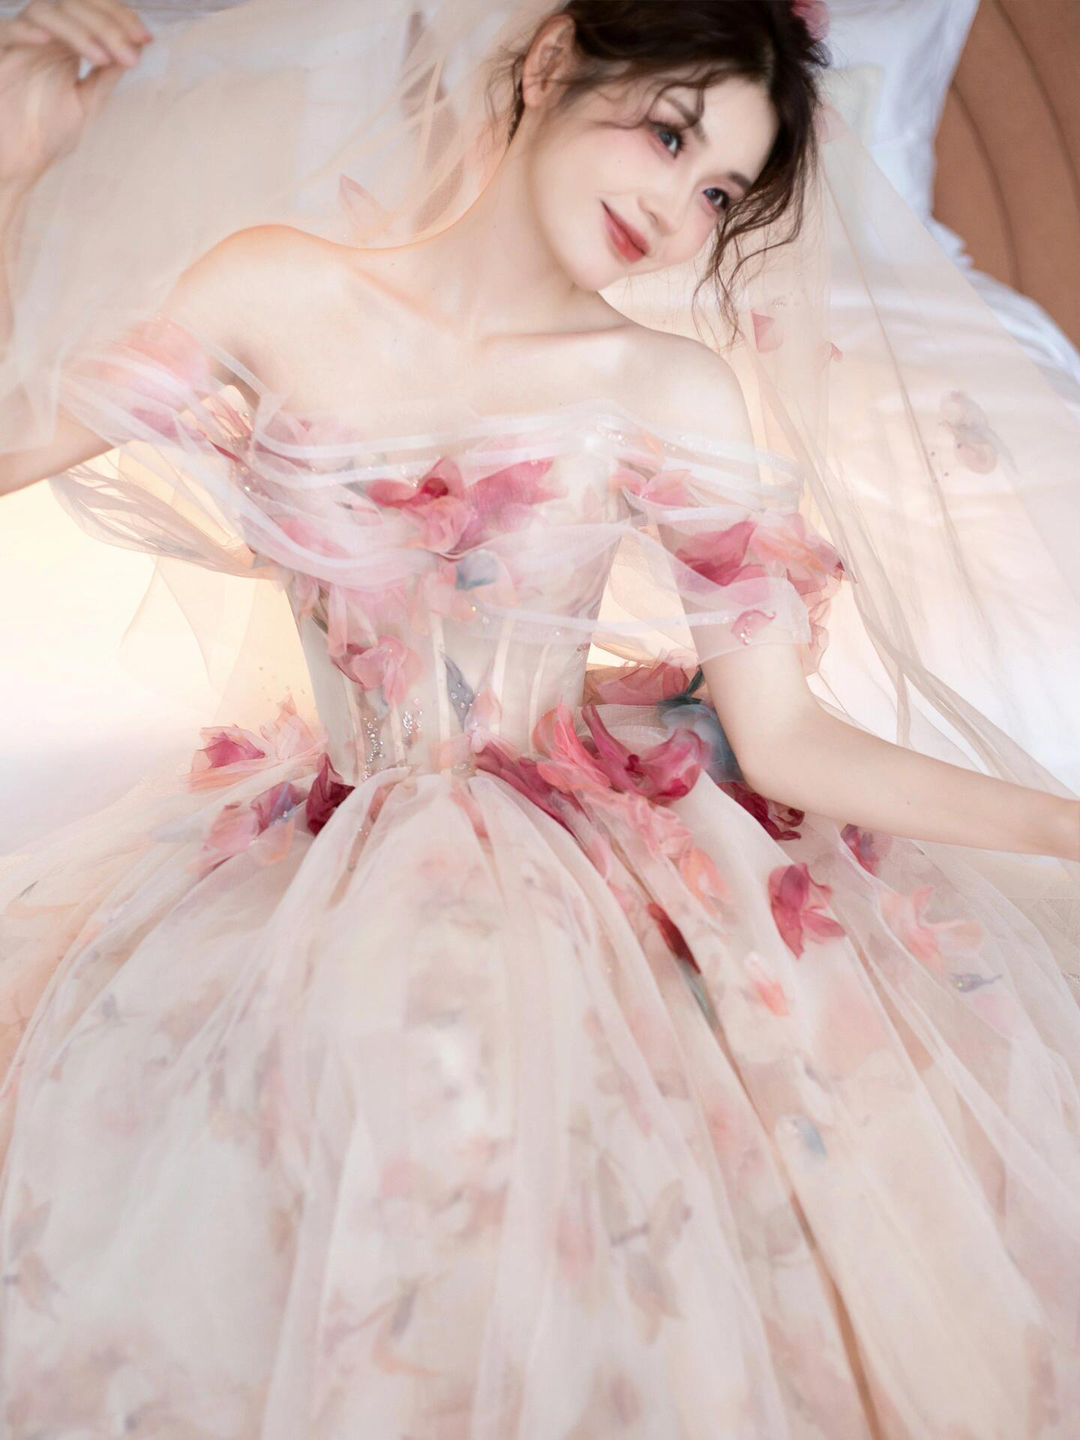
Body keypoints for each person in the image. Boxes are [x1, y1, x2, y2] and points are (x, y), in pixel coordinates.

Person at [0, 1, 1078, 1436]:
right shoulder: (274, 288)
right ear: (556, 61)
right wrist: (15, 162)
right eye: (670, 134)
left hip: (574, 873)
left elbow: (789, 741)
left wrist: (1063, 823)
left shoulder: (666, 387)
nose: (677, 211)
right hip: (325, 845)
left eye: (719, 194)